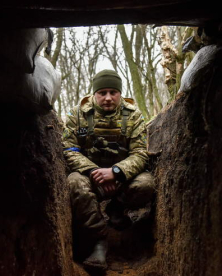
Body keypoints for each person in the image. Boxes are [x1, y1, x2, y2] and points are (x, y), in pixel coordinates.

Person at [62, 69, 155, 271]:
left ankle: (116, 208)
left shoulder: (134, 116)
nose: (108, 98)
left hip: (122, 177)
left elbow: (140, 154)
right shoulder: (77, 114)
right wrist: (95, 172)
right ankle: (98, 241)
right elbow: (69, 149)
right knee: (74, 183)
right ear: (94, 93)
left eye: (113, 92)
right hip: (90, 176)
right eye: (102, 92)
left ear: (120, 93)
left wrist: (116, 172)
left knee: (146, 184)